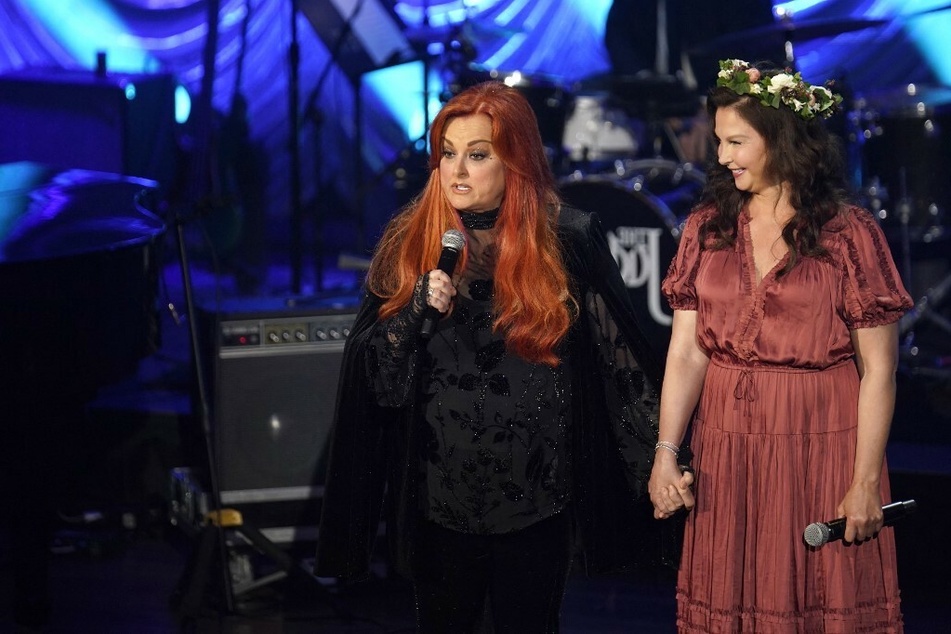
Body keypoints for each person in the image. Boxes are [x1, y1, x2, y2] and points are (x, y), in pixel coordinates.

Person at [315, 80, 690, 632]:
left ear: (514, 162)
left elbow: (622, 365)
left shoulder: (567, 239)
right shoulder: (411, 240)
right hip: (438, 498)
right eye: (447, 154)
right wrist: (414, 311)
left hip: (537, 500)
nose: (457, 170)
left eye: (477, 155)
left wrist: (661, 458)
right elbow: (376, 382)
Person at [648, 59, 911, 632]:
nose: (722, 156)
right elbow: (688, 353)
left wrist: (865, 481)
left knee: (817, 603)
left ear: (783, 139)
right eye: (719, 141)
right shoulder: (707, 226)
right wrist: (666, 452)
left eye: (737, 141)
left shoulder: (849, 233)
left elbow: (880, 372)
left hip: (819, 441)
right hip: (727, 446)